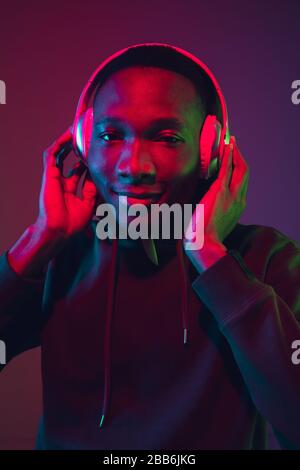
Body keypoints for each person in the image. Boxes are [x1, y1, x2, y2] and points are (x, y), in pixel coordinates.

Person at [0, 43, 299, 450]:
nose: (134, 166)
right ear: (83, 144)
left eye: (167, 137)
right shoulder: (60, 257)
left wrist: (212, 259)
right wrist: (41, 237)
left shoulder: (266, 259)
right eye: (109, 135)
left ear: (212, 151)